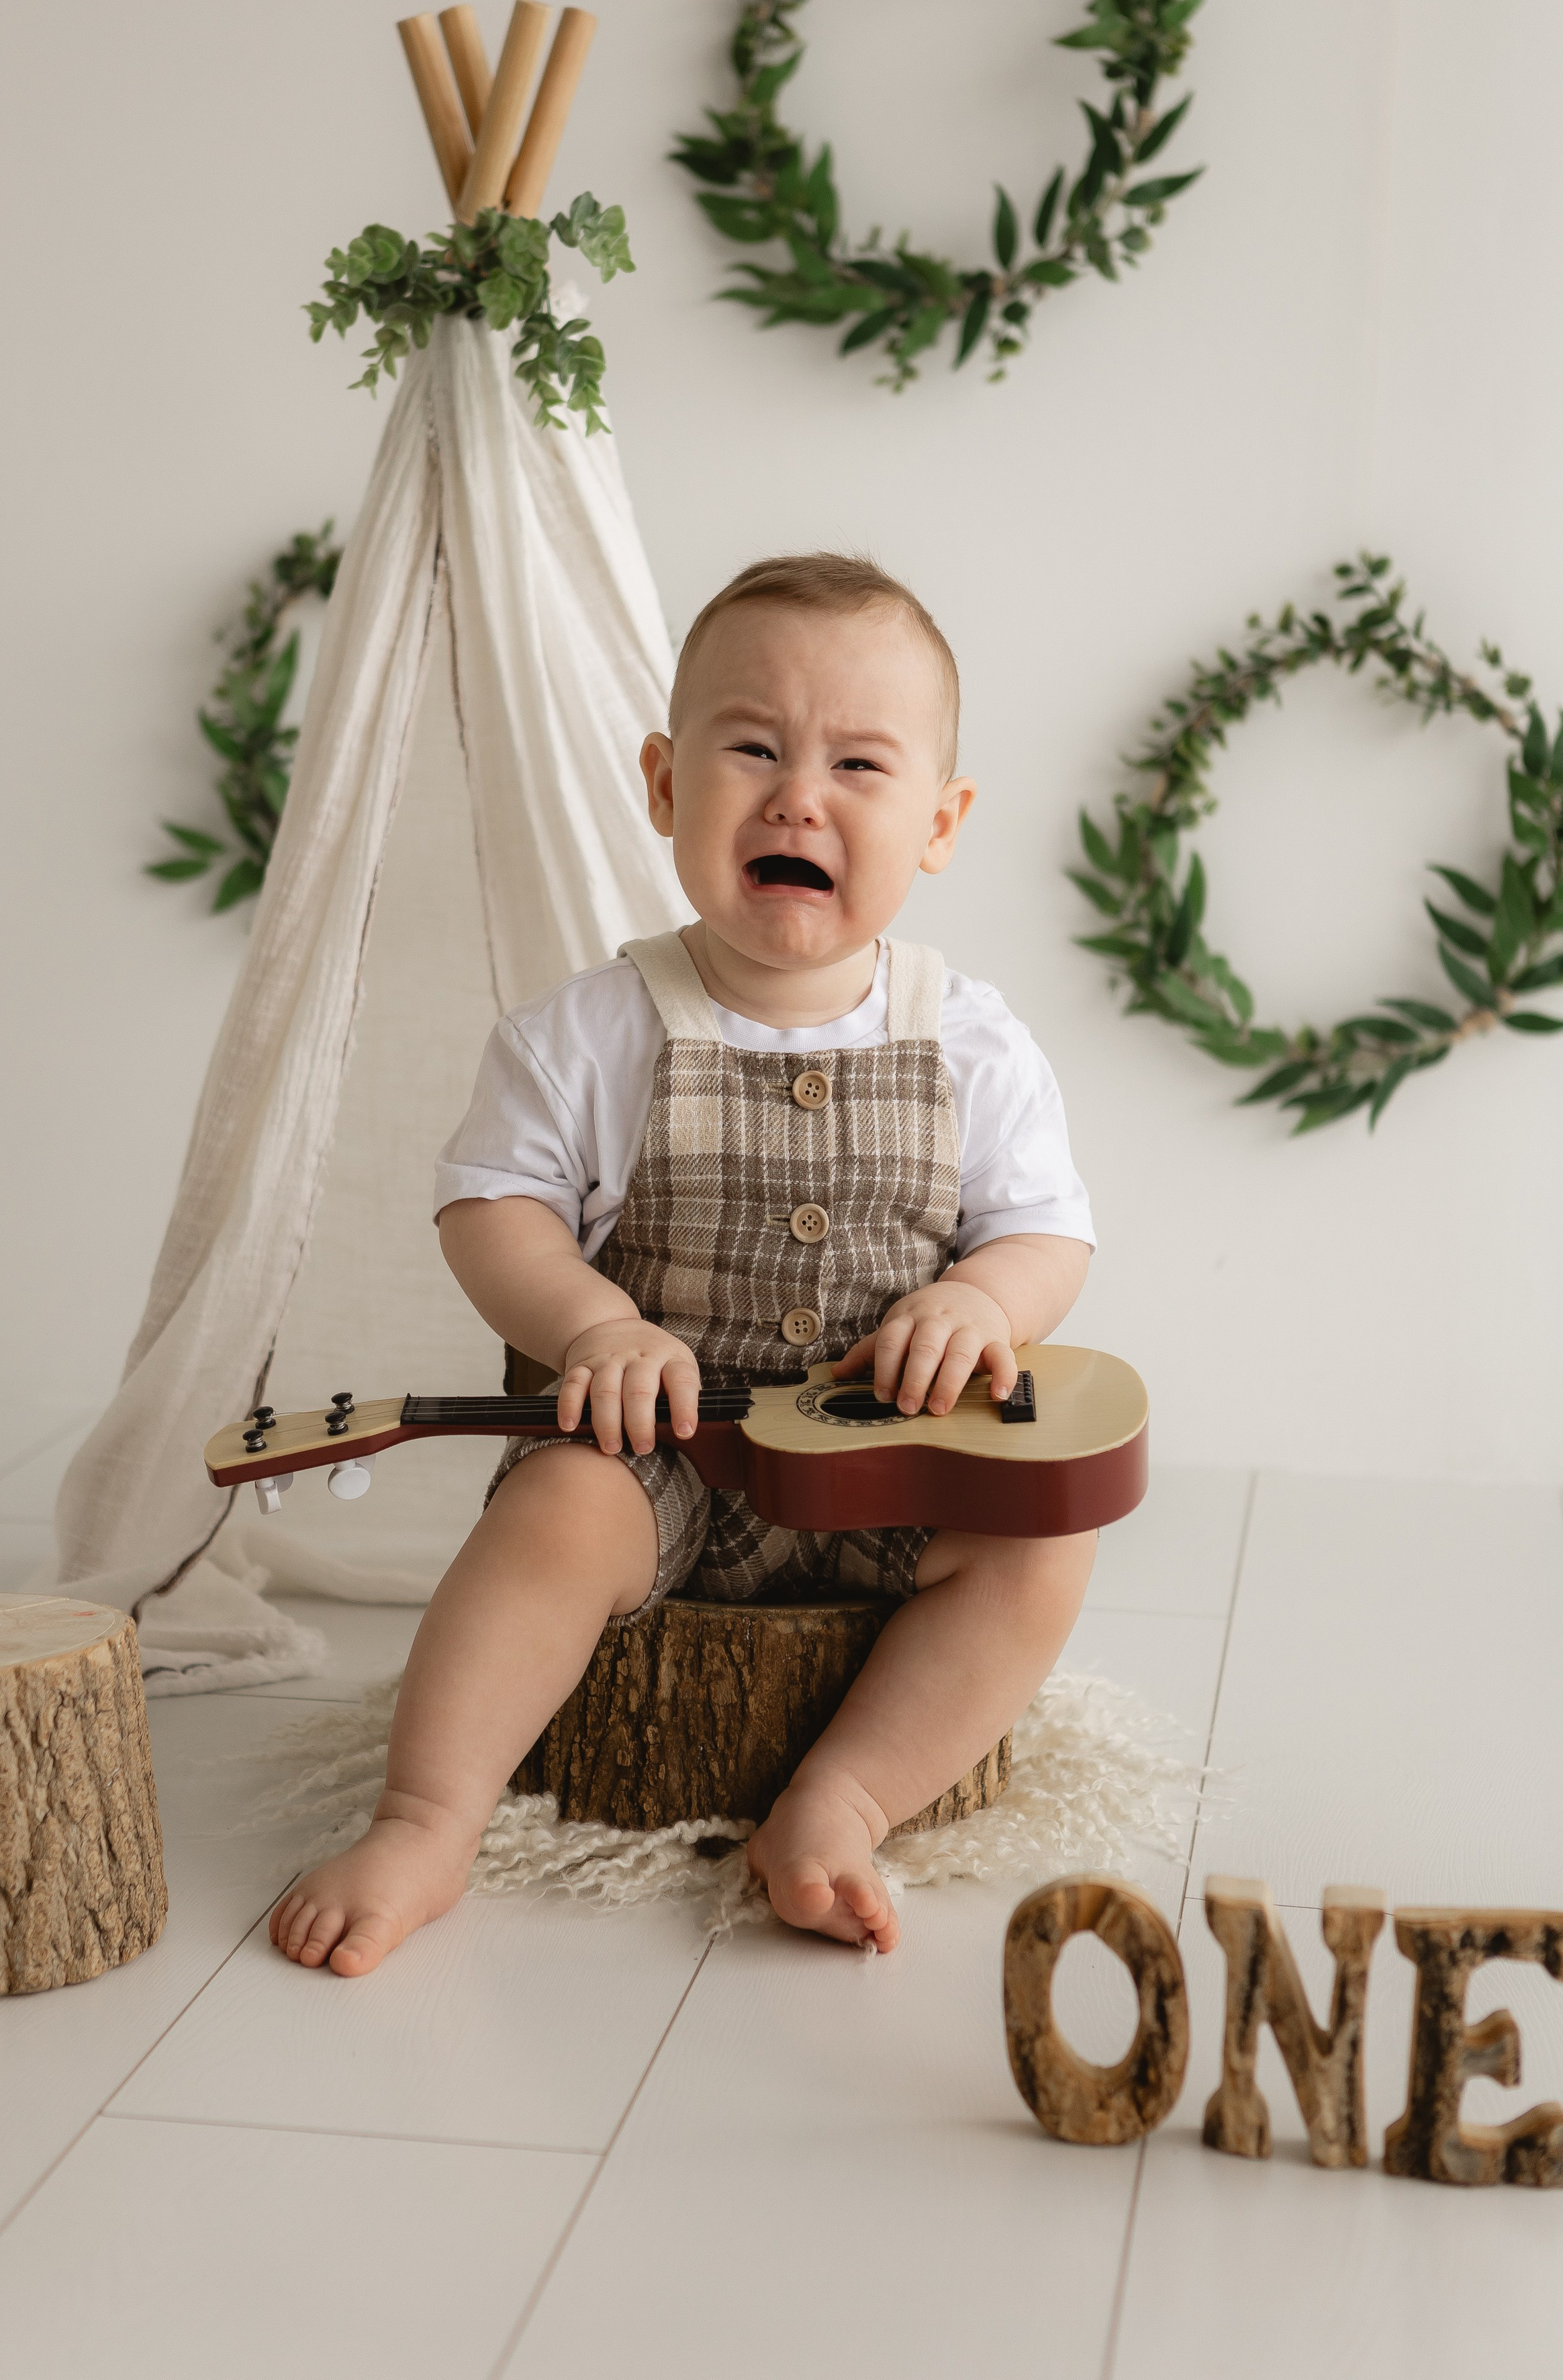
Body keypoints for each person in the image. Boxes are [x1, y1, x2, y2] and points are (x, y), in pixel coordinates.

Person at [271, 553, 1095, 1973]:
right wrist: (590, 1324)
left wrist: (978, 1297)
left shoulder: (972, 1040)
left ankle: (837, 1803)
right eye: (753, 748)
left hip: (878, 1468)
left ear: (940, 822)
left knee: (1040, 1542)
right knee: (543, 1528)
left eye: (857, 763)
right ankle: (426, 1816)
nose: (797, 797)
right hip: (651, 1465)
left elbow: (1045, 1231)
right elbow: (491, 1210)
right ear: (663, 786)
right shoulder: (587, 1032)